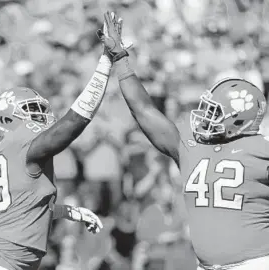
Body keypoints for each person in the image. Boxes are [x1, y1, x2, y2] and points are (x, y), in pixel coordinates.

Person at [98, 11, 269, 270]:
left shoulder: (262, 148)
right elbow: (143, 111)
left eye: (216, 112)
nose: (204, 118)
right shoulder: (192, 143)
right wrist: (121, 60)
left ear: (239, 119)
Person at [0, 42, 113, 270]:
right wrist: (105, 64)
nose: (41, 116)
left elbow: (24, 211)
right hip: (4, 262)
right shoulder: (19, 144)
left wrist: (71, 212)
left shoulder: (7, 152)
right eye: (30, 111)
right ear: (5, 121)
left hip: (5, 258)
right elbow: (74, 122)